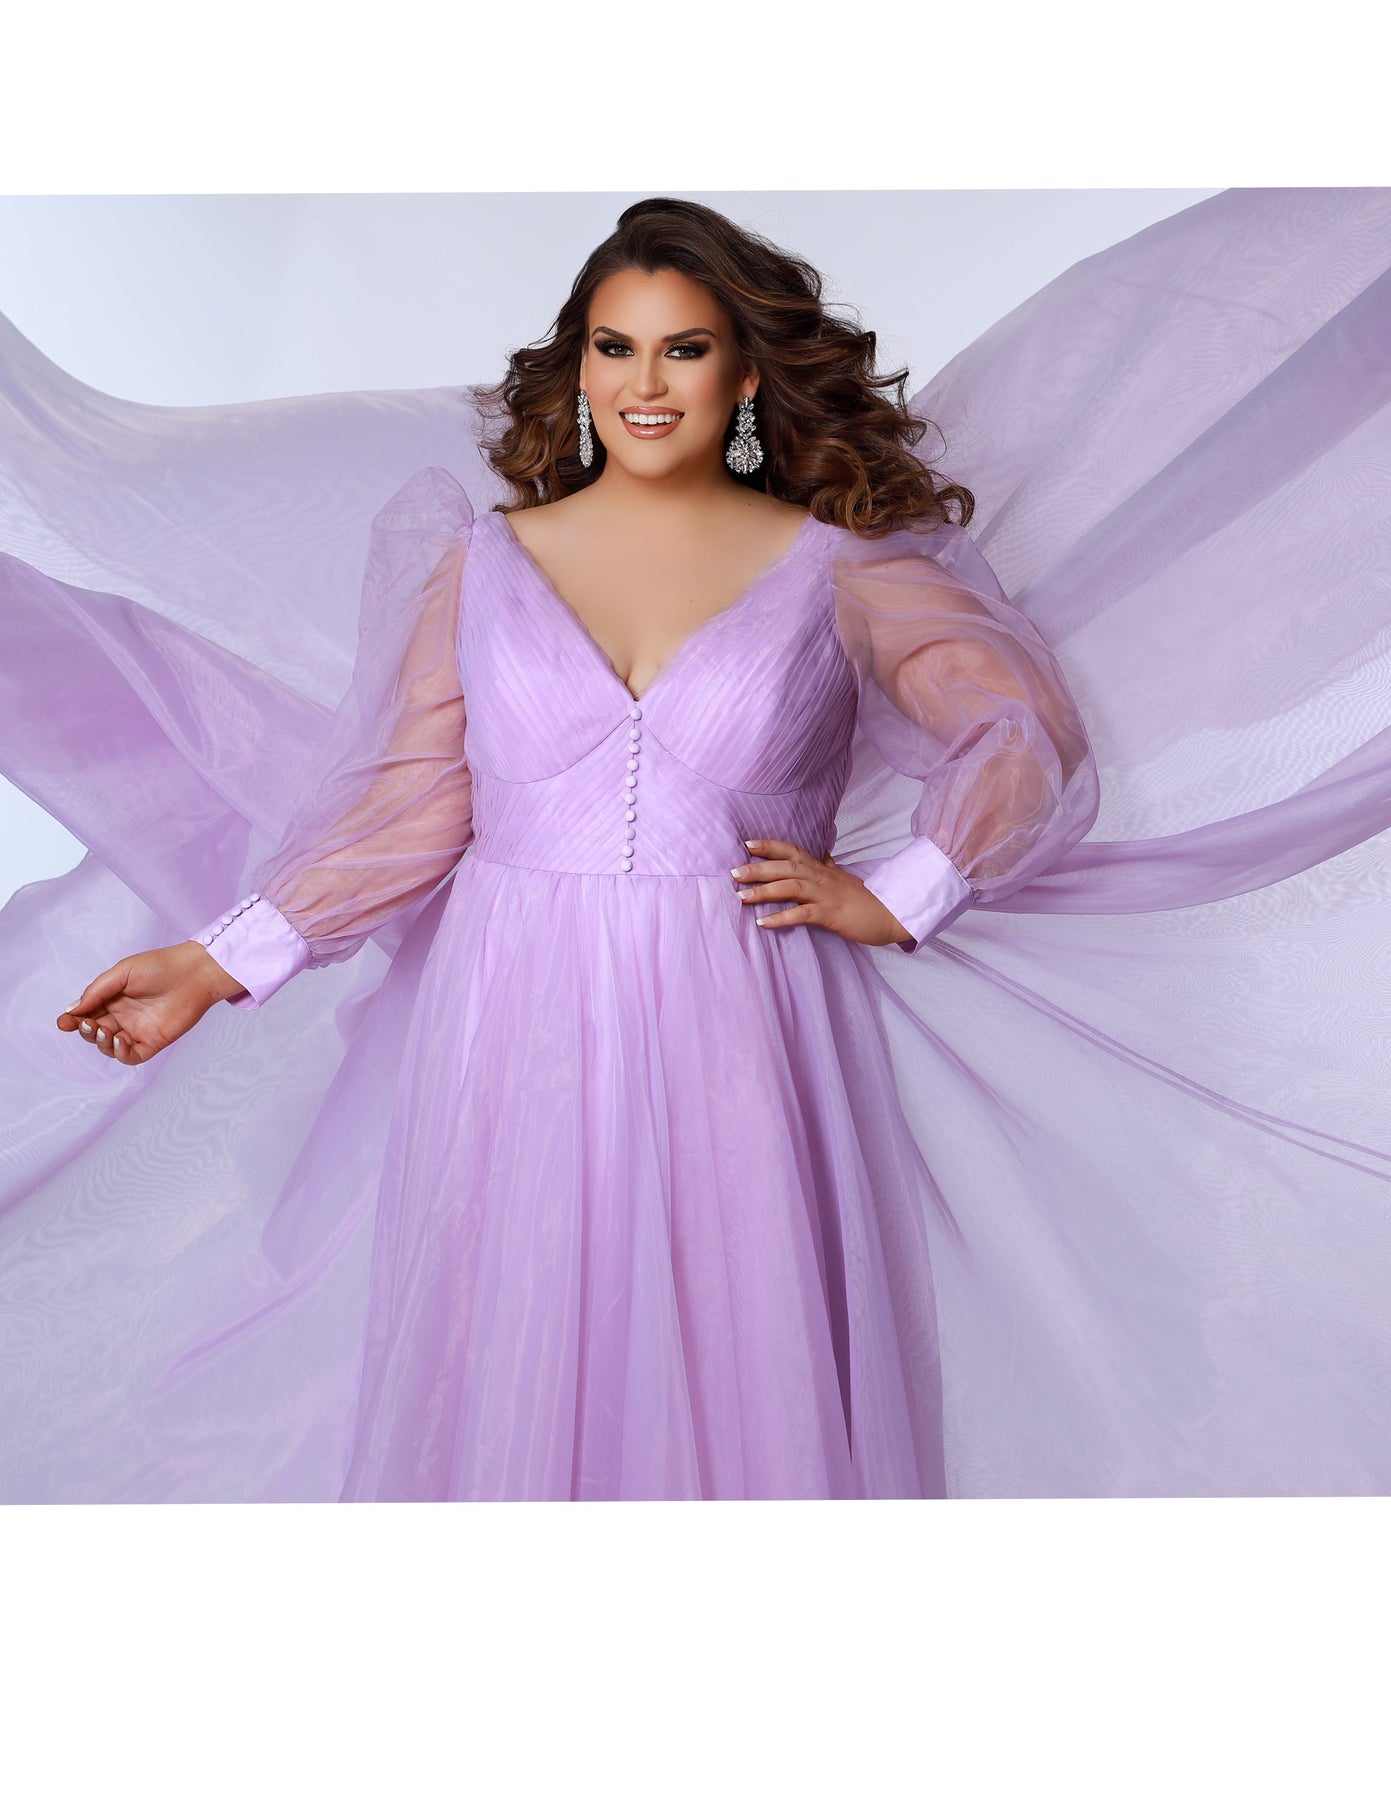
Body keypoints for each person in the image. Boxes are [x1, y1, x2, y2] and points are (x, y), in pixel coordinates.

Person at [4, 191, 1389, 1501]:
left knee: (742, 1351)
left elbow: (1021, 730)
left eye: (685, 347)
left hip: (745, 1008)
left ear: (746, 373)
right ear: (577, 367)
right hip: (510, 1009)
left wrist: (909, 887)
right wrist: (214, 963)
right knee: (517, 1345)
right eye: (615, 347)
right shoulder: (481, 562)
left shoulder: (840, 563)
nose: (646, 381)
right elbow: (409, 805)